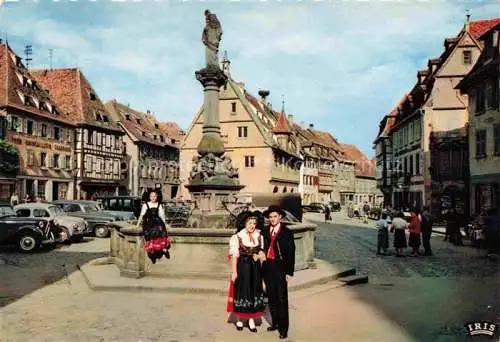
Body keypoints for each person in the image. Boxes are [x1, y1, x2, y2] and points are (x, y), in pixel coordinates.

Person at [226, 212, 266, 332]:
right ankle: (239, 319)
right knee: (242, 291)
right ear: (244, 223)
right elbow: (234, 255)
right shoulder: (237, 237)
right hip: (242, 267)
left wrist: (258, 256)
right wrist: (234, 272)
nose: (252, 225)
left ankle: (251, 320)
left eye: (254, 223)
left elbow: (263, 254)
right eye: (250, 223)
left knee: (254, 291)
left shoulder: (259, 236)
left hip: (255, 269)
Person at [261, 205, 296, 340]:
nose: (272, 219)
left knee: (281, 298)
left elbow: (291, 252)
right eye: (270, 217)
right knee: (271, 297)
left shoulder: (286, 232)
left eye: (275, 216)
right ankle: (275, 323)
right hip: (268, 266)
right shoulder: (265, 231)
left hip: (280, 267)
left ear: (280, 217)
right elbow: (260, 247)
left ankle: (283, 328)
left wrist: (289, 272)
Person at [136, 189, 171, 264]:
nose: (153, 197)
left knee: (162, 232)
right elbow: (141, 215)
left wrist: (165, 224)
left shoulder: (159, 205)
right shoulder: (146, 205)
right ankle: (152, 253)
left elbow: (162, 216)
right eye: (151, 196)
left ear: (157, 197)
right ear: (149, 197)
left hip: (157, 221)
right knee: (150, 234)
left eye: (154, 196)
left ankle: (164, 249)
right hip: (148, 222)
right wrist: (138, 224)